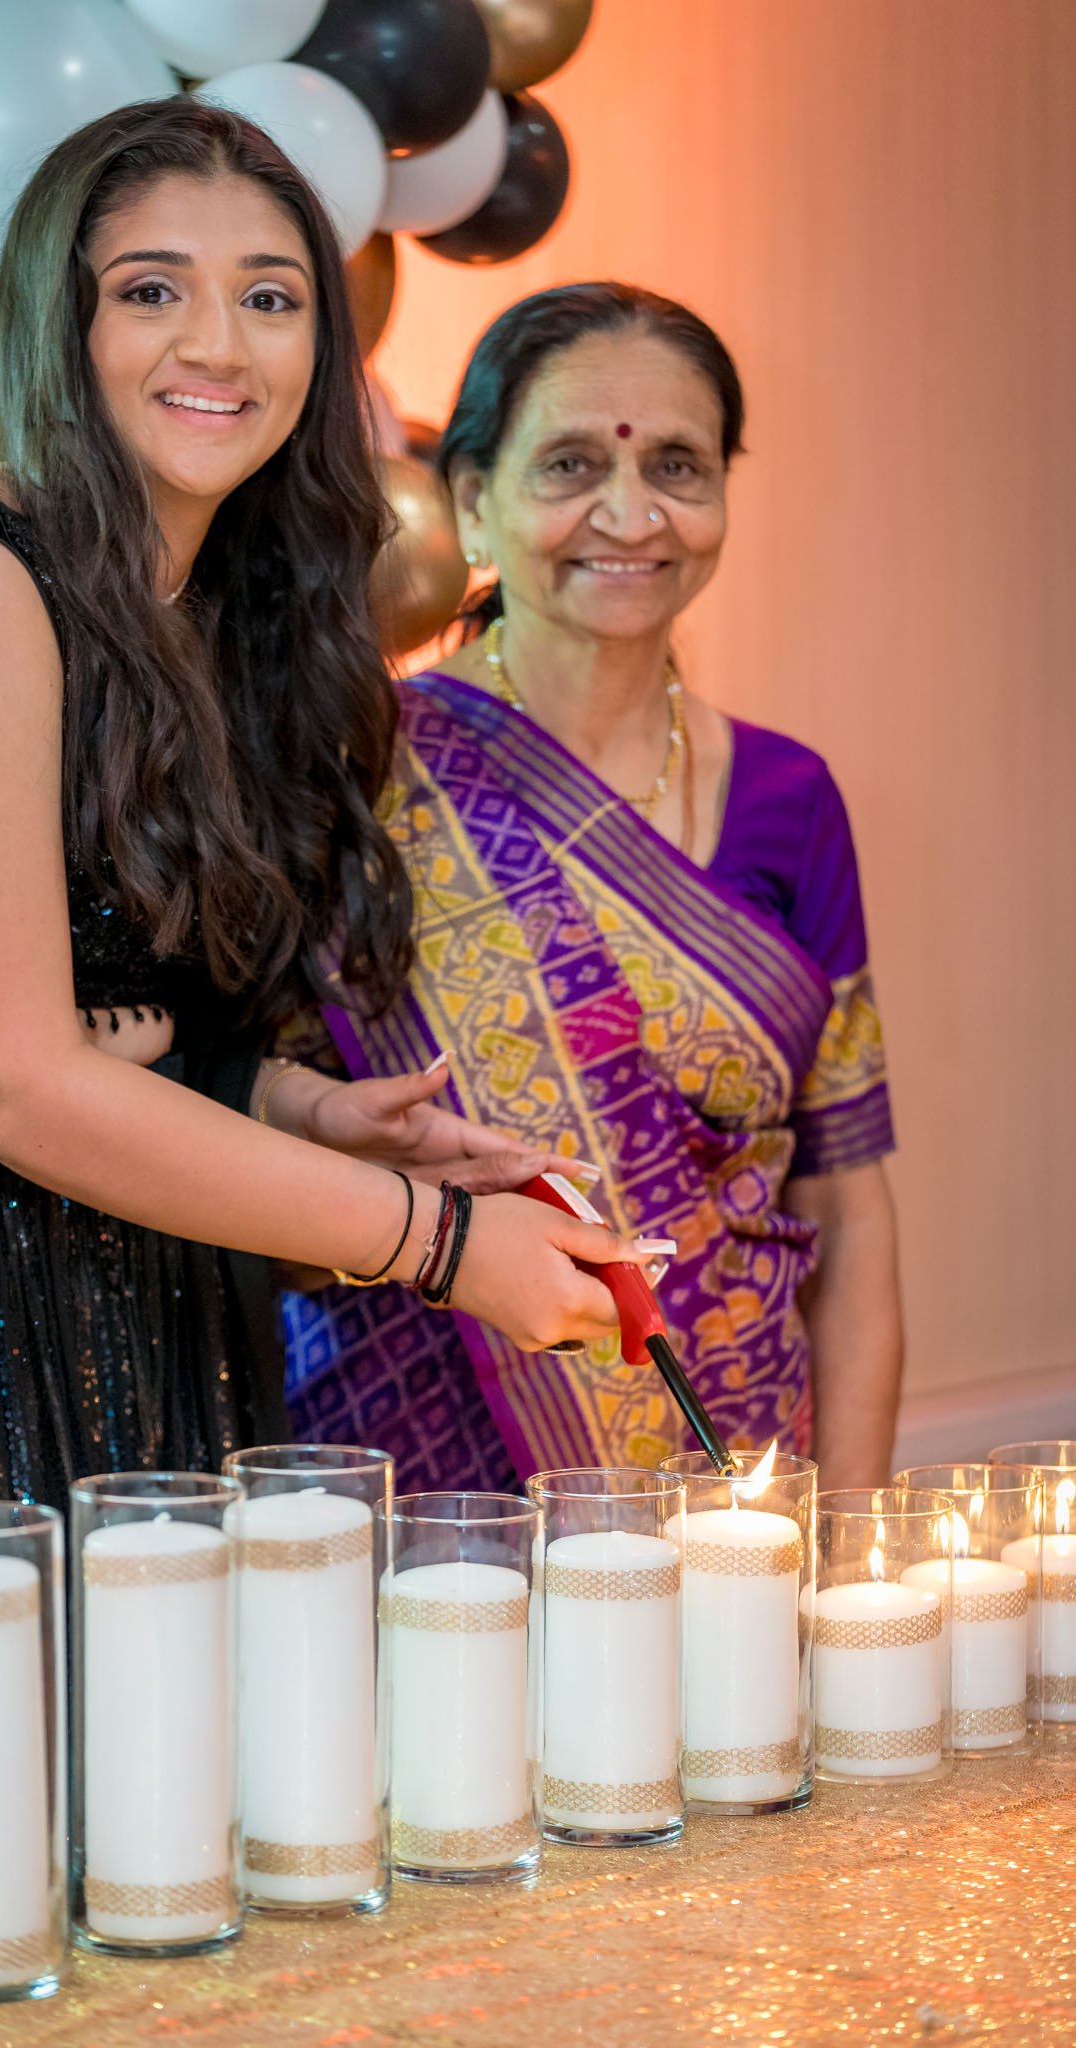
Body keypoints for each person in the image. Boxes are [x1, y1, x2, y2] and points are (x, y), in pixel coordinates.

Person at [0, 109, 639, 1541]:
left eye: (269, 298)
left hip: (132, 1269)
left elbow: (101, 1001)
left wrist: (303, 1110)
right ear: (58, 324)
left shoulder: (220, 617)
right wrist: (441, 1246)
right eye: (151, 290)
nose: (217, 345)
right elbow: (11, 1081)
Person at [285, 282, 903, 1492]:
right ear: (472, 500)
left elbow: (853, 1208)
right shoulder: (351, 777)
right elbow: (246, 1128)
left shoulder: (791, 795)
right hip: (416, 1469)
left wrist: (845, 1543)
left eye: (678, 465)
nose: (630, 512)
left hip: (736, 1458)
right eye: (569, 464)